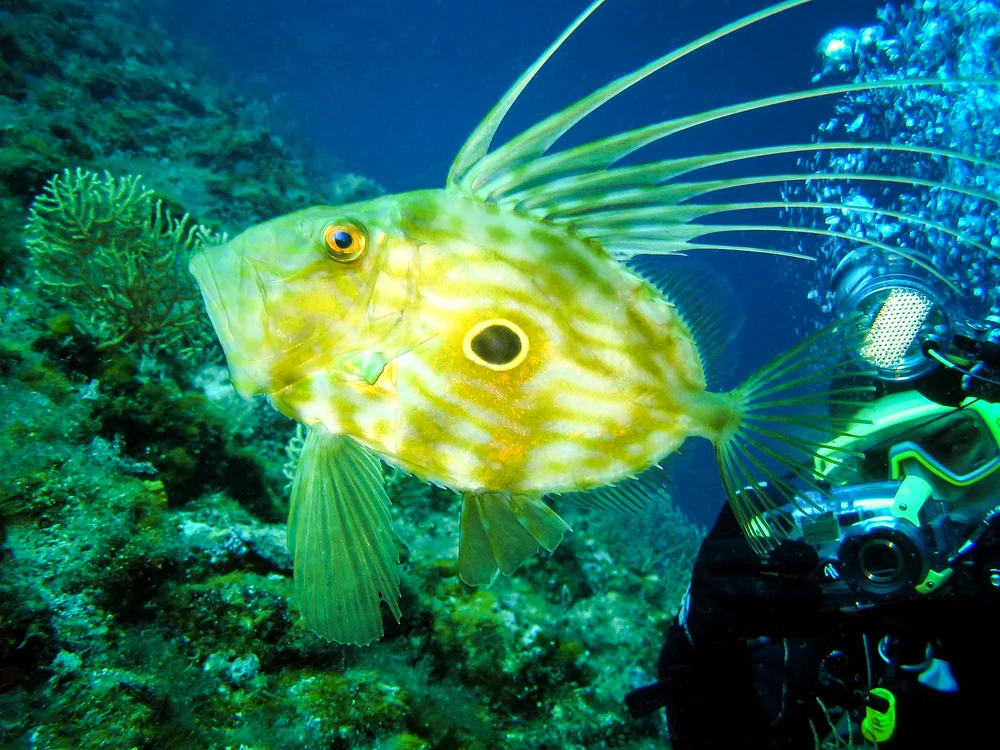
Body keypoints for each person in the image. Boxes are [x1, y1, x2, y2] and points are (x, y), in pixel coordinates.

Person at [626, 251, 1000, 747]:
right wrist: (708, 649)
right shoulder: (831, 603)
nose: (918, 491)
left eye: (955, 446)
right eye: (877, 467)